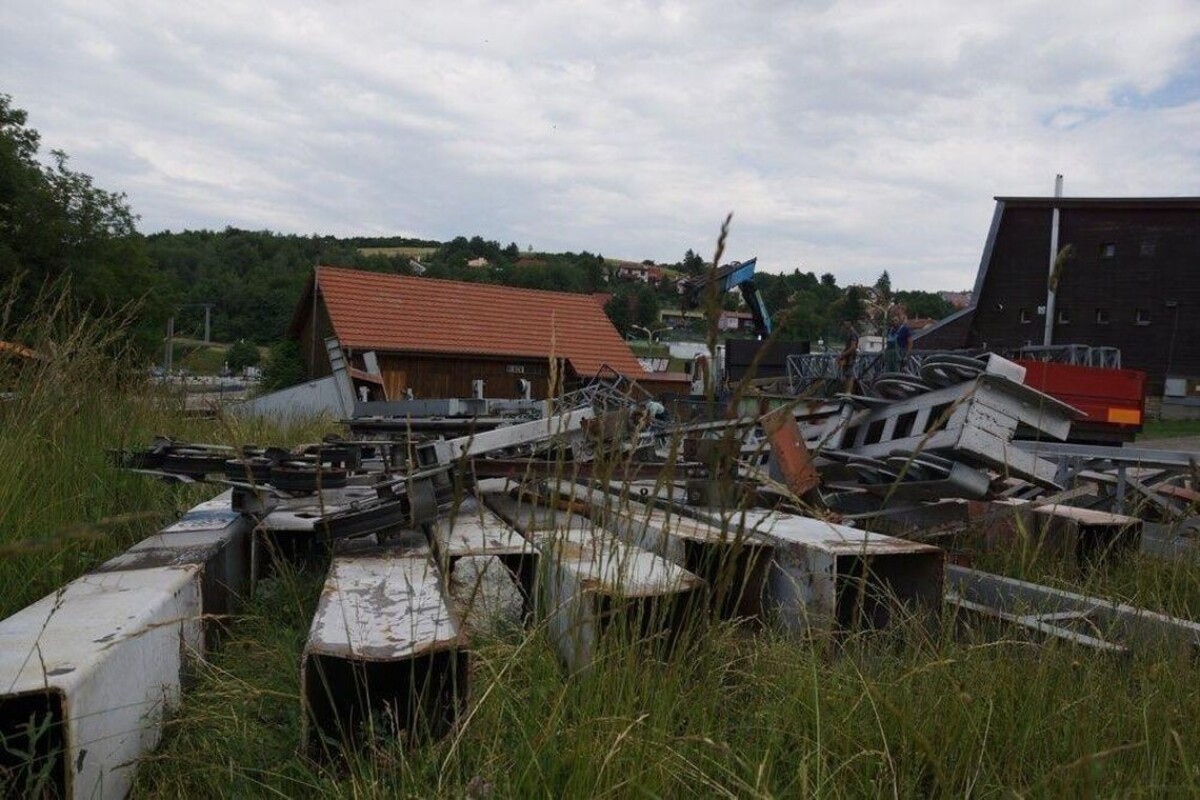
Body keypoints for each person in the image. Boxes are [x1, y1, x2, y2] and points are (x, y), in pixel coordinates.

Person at [836, 320, 859, 391]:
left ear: (850, 323)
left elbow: (853, 347)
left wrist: (843, 354)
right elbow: (848, 346)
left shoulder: (853, 333)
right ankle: (846, 392)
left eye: (845, 322)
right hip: (847, 357)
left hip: (850, 357)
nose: (844, 325)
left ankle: (848, 393)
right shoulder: (849, 333)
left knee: (849, 375)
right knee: (846, 375)